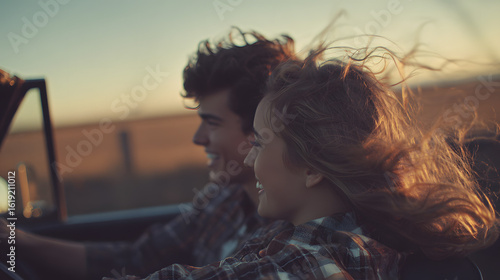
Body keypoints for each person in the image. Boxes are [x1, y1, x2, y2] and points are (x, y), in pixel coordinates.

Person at [108, 46, 499, 279]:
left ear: (312, 168)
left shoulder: (318, 259)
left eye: (260, 143)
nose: (250, 155)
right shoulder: (312, 234)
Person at [0, 29, 295, 280]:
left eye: (212, 123)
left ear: (259, 129)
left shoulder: (292, 237)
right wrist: (15, 240)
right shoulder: (222, 200)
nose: (197, 138)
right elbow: (140, 256)